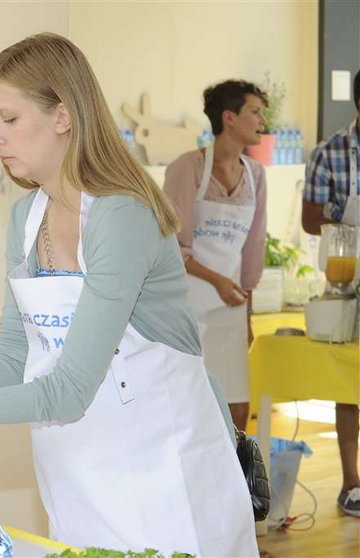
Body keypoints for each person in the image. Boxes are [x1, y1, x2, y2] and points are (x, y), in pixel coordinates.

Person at [0, 33, 258, 556]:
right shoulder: (26, 219)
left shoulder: (122, 215)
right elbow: (15, 360)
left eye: (9, 118)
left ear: (63, 115)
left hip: (166, 474)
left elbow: (67, 390)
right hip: (80, 474)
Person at [164, 80, 268, 432]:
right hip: (188, 309)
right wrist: (219, 281)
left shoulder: (256, 176)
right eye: (255, 112)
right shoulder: (187, 168)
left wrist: (248, 315)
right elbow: (173, 247)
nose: (262, 121)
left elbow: (253, 251)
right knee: (193, 406)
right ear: (229, 117)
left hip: (231, 309)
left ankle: (236, 486)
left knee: (238, 411)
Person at [301, 68, 360, 518]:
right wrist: (344, 226)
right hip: (346, 273)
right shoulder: (330, 152)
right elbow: (308, 219)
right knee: (348, 379)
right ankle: (351, 482)